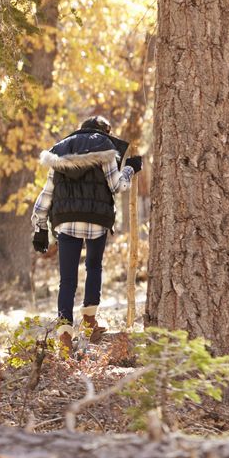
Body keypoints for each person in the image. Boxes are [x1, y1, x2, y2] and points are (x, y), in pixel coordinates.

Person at [31, 114, 143, 354]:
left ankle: (64, 336)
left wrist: (39, 226)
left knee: (67, 280)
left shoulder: (59, 150)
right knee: (94, 267)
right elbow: (118, 187)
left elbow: (46, 194)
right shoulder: (105, 147)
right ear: (104, 130)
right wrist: (131, 169)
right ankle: (90, 321)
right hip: (96, 219)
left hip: (66, 220)